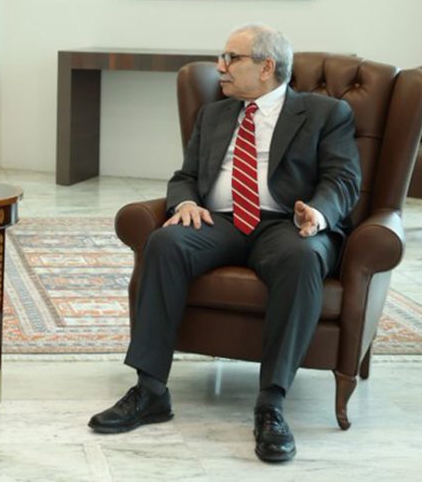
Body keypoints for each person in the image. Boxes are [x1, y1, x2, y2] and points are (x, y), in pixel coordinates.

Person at [88, 24, 361, 463]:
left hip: (287, 225)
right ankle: (150, 390)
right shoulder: (214, 114)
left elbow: (343, 179)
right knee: (165, 242)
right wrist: (186, 203)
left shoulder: (325, 114)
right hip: (220, 221)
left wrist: (318, 212)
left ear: (267, 67)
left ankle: (271, 404)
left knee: (303, 257)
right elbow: (185, 176)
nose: (221, 66)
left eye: (232, 57)